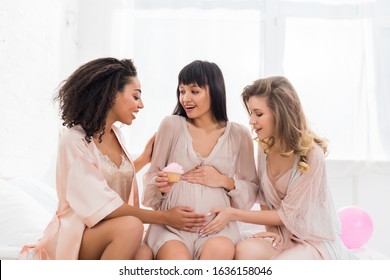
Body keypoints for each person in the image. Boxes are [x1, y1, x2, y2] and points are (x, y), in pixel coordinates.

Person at [18, 57, 206, 260]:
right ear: (111, 95)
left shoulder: (116, 134)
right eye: (135, 97)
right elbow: (101, 204)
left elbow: (106, 177)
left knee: (144, 252)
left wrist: (144, 159)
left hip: (107, 231)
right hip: (79, 233)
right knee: (131, 227)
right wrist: (166, 218)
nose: (141, 105)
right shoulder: (74, 141)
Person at [200, 76, 355, 259]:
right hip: (281, 235)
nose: (251, 120)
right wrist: (271, 233)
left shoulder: (312, 155)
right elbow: (265, 199)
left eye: (258, 114)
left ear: (280, 113)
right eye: (250, 113)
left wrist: (233, 214)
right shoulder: (265, 147)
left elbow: (286, 214)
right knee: (243, 251)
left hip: (311, 239)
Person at [142, 60, 258, 260]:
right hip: (172, 229)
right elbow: (152, 180)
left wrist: (223, 181)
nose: (185, 98)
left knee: (218, 253)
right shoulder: (171, 125)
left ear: (214, 91)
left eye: (194, 91)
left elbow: (251, 191)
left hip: (217, 228)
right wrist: (161, 186)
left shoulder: (239, 135)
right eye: (182, 91)